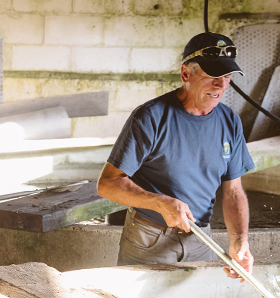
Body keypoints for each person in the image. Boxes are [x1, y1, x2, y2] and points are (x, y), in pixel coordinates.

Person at [97, 32, 255, 277]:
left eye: (226, 76)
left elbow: (233, 191)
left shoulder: (229, 121)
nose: (221, 85)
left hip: (202, 240)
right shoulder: (150, 117)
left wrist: (240, 241)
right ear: (185, 74)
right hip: (150, 238)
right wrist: (160, 203)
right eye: (212, 76)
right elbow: (107, 184)